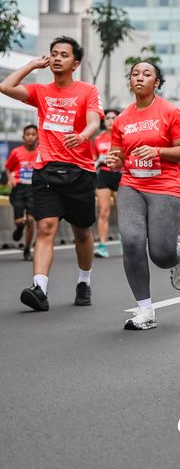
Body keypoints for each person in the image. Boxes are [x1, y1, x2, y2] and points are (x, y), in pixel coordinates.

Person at [0, 37, 104, 310]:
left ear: (75, 64)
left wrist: (82, 136)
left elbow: (94, 121)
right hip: (46, 170)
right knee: (45, 227)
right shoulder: (41, 91)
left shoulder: (88, 90)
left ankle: (84, 281)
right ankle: (40, 288)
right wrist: (32, 65)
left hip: (80, 172)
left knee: (82, 233)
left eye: (64, 55)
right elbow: (5, 86)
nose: (57, 58)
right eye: (54, 54)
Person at [107, 60, 180, 330]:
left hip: (164, 185)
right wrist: (115, 162)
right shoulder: (121, 119)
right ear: (130, 81)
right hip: (131, 184)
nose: (139, 77)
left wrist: (158, 151)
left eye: (146, 74)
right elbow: (118, 157)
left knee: (160, 254)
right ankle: (145, 310)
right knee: (132, 241)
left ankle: (176, 254)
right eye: (135, 74)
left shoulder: (169, 111)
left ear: (156, 82)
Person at [5, 124, 38, 261]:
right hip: (19, 188)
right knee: (20, 221)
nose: (30, 137)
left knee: (31, 220)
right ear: (23, 137)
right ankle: (19, 227)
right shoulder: (16, 152)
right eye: (28, 134)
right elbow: (8, 168)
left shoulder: (41, 153)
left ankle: (27, 248)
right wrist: (11, 178)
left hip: (33, 189)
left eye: (33, 134)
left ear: (38, 137)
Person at [93, 109, 121, 258]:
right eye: (107, 118)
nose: (110, 120)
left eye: (113, 118)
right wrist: (98, 161)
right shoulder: (98, 139)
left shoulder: (123, 137)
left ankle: (125, 243)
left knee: (122, 212)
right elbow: (93, 160)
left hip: (119, 174)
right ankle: (102, 245)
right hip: (104, 174)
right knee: (103, 211)